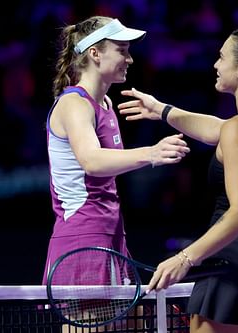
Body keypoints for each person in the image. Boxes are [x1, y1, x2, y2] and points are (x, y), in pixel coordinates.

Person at [118, 25, 238, 333]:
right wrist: (163, 110)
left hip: (235, 270)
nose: (215, 65)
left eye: (222, 57)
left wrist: (185, 257)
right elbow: (219, 130)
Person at [42, 15, 190, 287]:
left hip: (110, 232)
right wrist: (152, 153)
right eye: (122, 51)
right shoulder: (74, 103)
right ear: (95, 53)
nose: (130, 59)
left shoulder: (106, 104)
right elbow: (92, 161)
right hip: (82, 236)